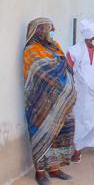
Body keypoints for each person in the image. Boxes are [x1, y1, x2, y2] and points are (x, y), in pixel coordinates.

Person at [23, 18, 76, 185]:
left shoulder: (55, 46)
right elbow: (41, 72)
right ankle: (39, 172)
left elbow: (66, 66)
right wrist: (60, 65)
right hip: (41, 104)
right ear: (39, 31)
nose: (53, 30)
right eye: (50, 28)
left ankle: (54, 169)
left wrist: (62, 66)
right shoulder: (31, 50)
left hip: (61, 103)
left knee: (60, 133)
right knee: (42, 133)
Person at [67, 20, 94, 163]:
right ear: (86, 38)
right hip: (83, 93)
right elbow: (69, 70)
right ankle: (78, 149)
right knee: (82, 119)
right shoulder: (74, 51)